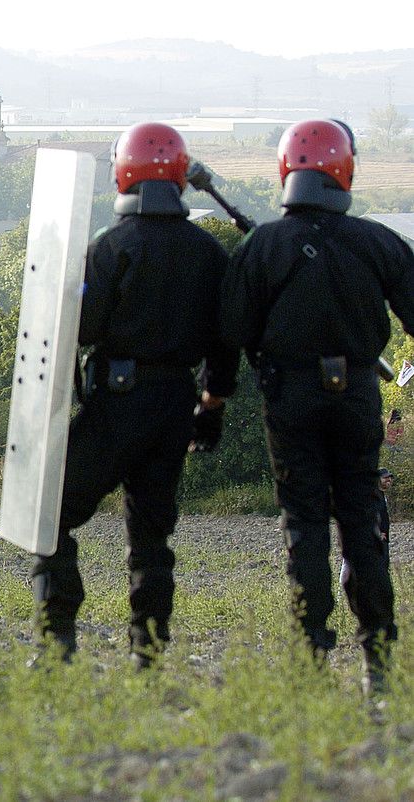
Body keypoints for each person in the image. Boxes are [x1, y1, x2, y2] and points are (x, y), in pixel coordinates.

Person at [31, 122, 239, 669]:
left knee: (51, 516)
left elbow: (86, 329)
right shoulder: (208, 253)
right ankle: (147, 652)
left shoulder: (112, 247)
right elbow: (224, 343)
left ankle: (57, 642)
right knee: (150, 534)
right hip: (175, 404)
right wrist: (210, 406)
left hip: (117, 402)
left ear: (124, 172)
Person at [220, 119, 414, 695]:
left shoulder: (263, 246)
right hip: (355, 393)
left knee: (304, 523)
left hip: (290, 396)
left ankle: (313, 652)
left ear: (287, 171)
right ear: (345, 171)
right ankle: (377, 653)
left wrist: (212, 401)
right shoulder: (377, 241)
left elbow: (232, 332)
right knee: (360, 518)